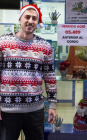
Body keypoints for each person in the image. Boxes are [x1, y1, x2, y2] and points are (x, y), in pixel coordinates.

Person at [0, 4, 57, 140]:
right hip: (7, 110)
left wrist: (52, 105)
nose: (30, 21)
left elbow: (50, 77)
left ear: (37, 22)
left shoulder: (45, 46)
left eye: (34, 18)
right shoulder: (3, 42)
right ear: (20, 19)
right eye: (27, 17)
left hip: (35, 110)